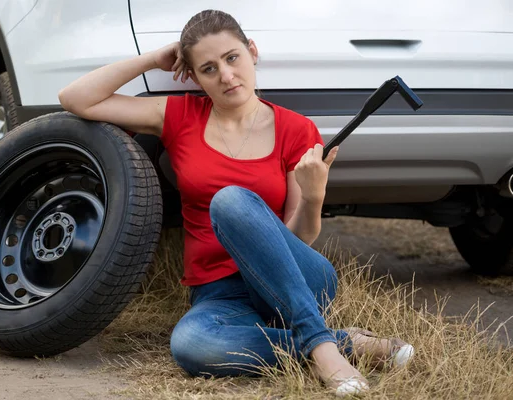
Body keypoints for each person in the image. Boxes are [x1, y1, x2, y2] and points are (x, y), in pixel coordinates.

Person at [58, 9, 414, 397]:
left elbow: (301, 239)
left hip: (295, 279)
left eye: (232, 58)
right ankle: (346, 344)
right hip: (219, 292)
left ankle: (322, 347)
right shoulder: (178, 116)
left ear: (252, 52)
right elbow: (75, 99)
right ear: (193, 77)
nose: (226, 76)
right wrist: (152, 58)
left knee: (230, 201)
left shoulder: (296, 129)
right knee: (191, 345)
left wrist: (313, 194)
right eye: (208, 68)